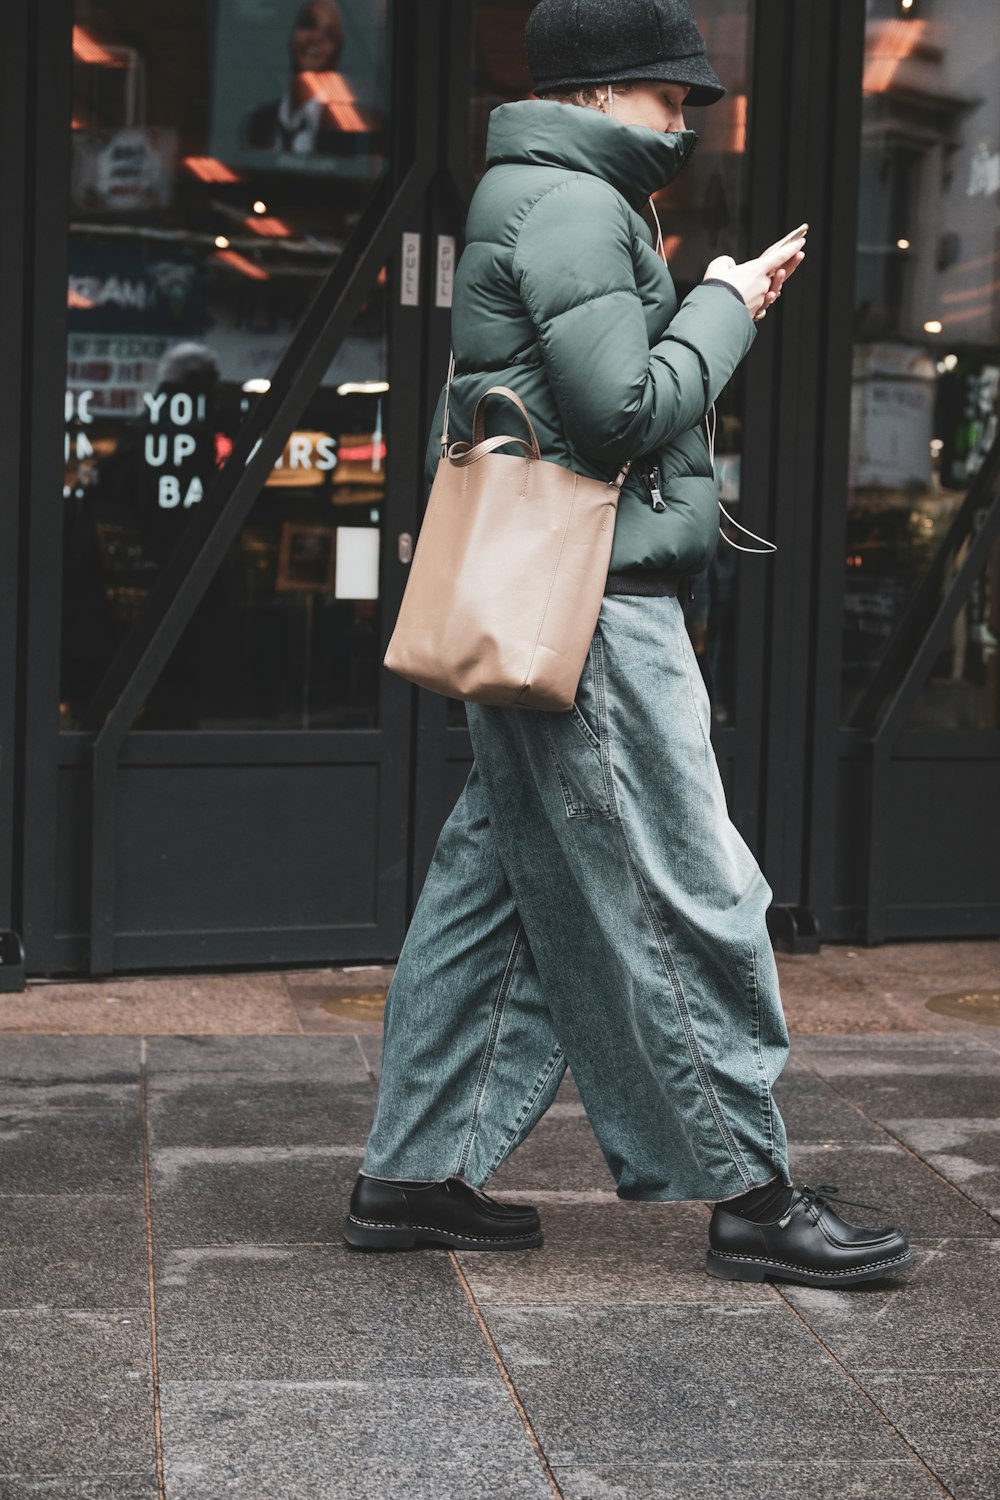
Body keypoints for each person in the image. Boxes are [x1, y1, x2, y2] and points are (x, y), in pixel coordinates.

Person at [343, 0, 915, 1288]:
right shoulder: (575, 206)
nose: (688, 120)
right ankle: (750, 1190)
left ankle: (413, 1175)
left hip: (552, 602)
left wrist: (708, 300)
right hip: (589, 610)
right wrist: (724, 304)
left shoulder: (545, 192)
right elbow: (620, 412)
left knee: (491, 900)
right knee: (689, 886)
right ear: (606, 95)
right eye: (674, 97)